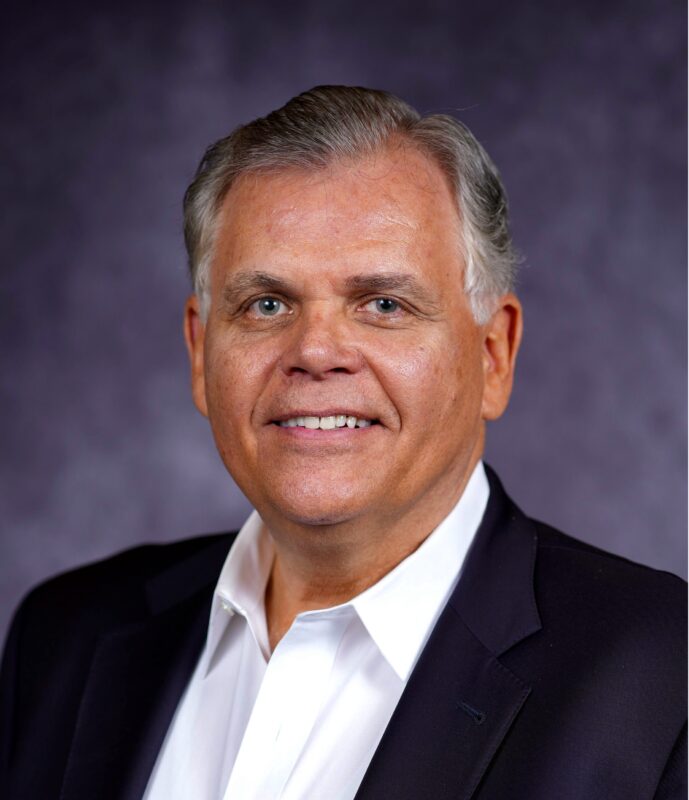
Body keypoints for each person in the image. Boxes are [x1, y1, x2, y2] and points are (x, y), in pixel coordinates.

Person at [0, 86, 685, 800]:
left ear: (493, 356)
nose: (316, 351)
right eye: (266, 304)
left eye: (384, 304)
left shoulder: (664, 677)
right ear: (201, 353)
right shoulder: (65, 638)